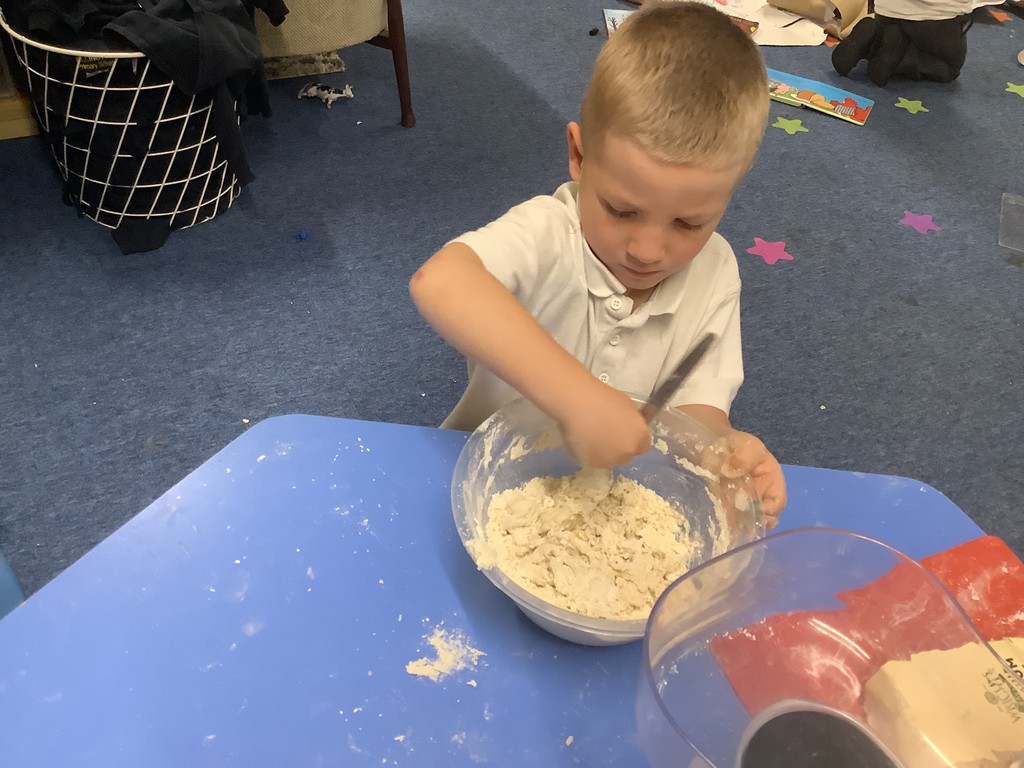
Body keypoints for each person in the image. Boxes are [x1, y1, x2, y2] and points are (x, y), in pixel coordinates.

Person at [409, 1, 786, 525]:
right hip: (475, 477)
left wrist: (721, 452)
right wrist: (578, 399)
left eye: (688, 223)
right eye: (622, 210)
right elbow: (441, 282)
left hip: (621, 497)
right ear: (580, 156)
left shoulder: (715, 272)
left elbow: (697, 407)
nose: (648, 250)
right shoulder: (547, 232)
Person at [831, 0, 973, 86]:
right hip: (937, 19)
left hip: (886, 13)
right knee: (950, 69)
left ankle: (876, 40)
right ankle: (898, 58)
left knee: (887, 37)